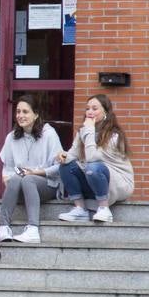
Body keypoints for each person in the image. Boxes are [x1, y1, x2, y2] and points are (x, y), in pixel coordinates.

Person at [57, 93, 133, 225]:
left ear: (105, 112)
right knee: (66, 166)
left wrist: (90, 130)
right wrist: (63, 156)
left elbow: (92, 157)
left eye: (94, 108)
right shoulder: (84, 131)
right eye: (87, 108)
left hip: (118, 182)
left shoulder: (114, 135)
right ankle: (80, 209)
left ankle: (104, 208)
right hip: (94, 177)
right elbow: (72, 154)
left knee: (93, 167)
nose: (90, 112)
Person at [0, 95, 62, 244]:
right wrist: (7, 178)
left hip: (47, 185)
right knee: (16, 178)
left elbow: (59, 168)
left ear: (36, 114)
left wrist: (35, 172)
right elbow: (7, 168)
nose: (20, 115)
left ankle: (33, 228)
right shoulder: (11, 137)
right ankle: (4, 227)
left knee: (28, 179)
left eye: (25, 112)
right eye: (18, 111)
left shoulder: (49, 134)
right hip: (19, 186)